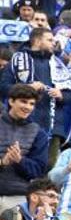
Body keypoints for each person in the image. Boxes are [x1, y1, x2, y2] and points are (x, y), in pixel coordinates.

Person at [0, 84, 50, 212]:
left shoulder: (39, 133)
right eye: (23, 102)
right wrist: (2, 162)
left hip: (16, 196)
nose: (27, 107)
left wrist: (20, 160)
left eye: (31, 104)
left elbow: (38, 171)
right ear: (11, 101)